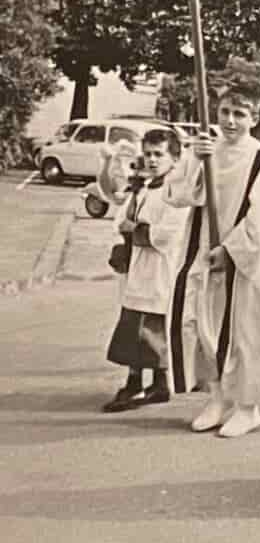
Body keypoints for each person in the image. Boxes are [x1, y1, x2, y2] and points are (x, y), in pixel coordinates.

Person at [165, 84, 260, 438]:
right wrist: (196, 161)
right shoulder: (207, 150)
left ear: (255, 118)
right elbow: (178, 194)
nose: (231, 121)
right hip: (206, 248)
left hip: (248, 260)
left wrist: (231, 251)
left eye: (240, 114)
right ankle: (217, 397)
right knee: (206, 325)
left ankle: (247, 407)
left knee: (246, 331)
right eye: (225, 113)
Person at [101, 128, 193, 412]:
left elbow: (171, 232)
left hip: (160, 266)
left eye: (159, 154)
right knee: (133, 322)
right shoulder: (143, 186)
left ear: (175, 158)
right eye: (149, 154)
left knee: (152, 326)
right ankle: (139, 380)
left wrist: (138, 229)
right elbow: (119, 212)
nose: (153, 160)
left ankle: (153, 383)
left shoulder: (175, 192)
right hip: (138, 265)